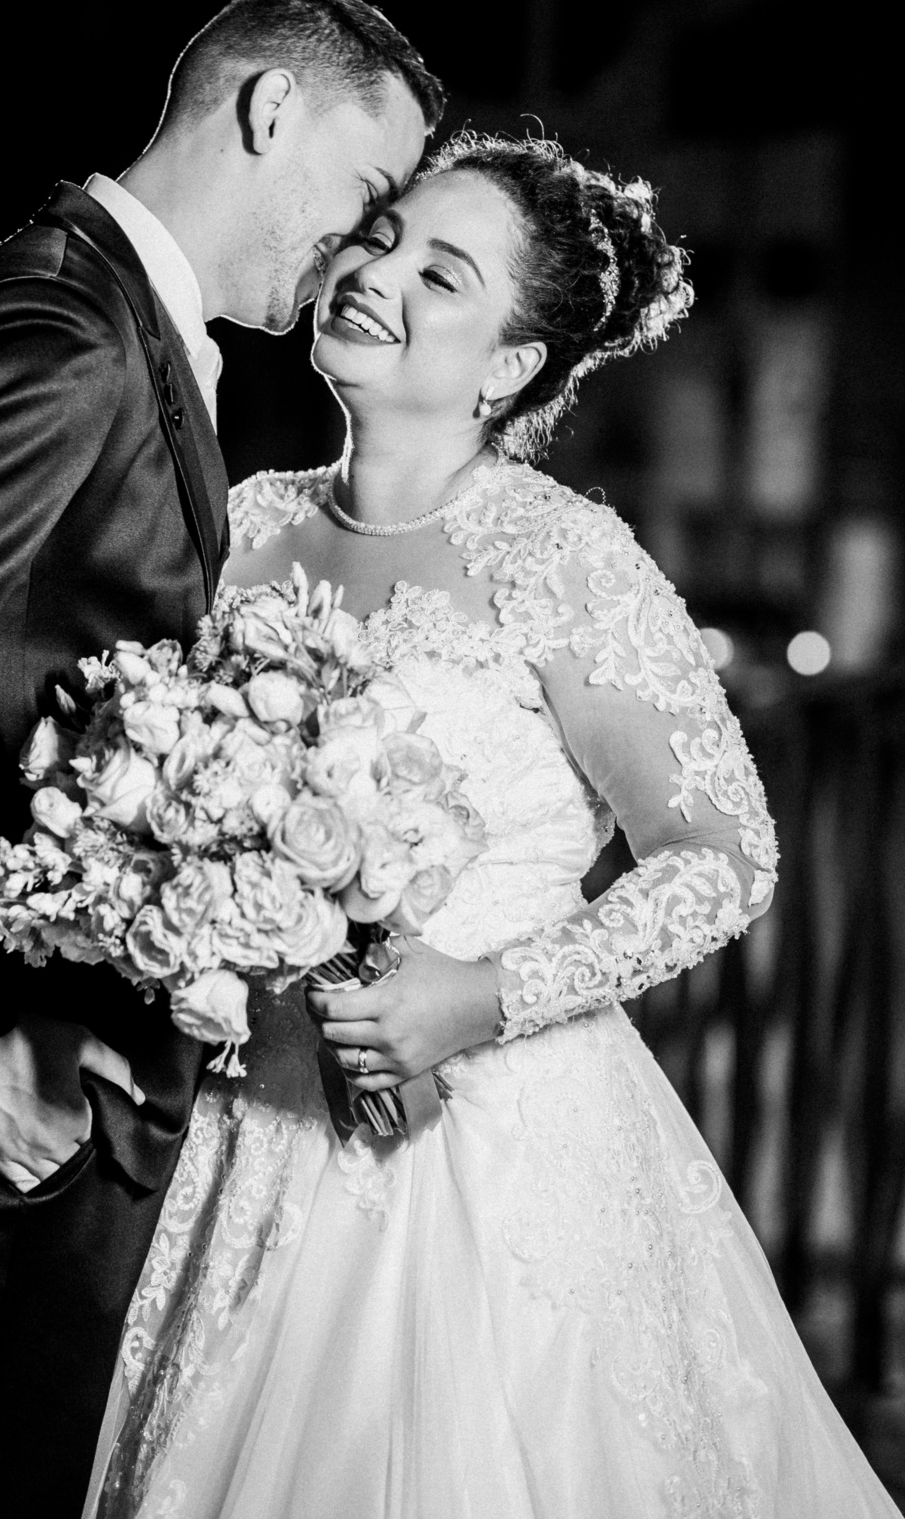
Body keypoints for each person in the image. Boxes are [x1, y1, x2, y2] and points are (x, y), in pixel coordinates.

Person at [86, 136, 899, 1516]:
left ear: (508, 367)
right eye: (383, 236)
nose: (376, 273)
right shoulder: (243, 524)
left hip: (494, 1144)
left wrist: (481, 996)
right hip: (248, 1130)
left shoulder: (560, 556)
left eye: (440, 274)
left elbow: (724, 859)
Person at [0, 0, 440, 1518]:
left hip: (67, 1075)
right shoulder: (64, 327)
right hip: (10, 1084)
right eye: (368, 189)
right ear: (271, 110)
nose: (364, 241)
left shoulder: (121, 318)